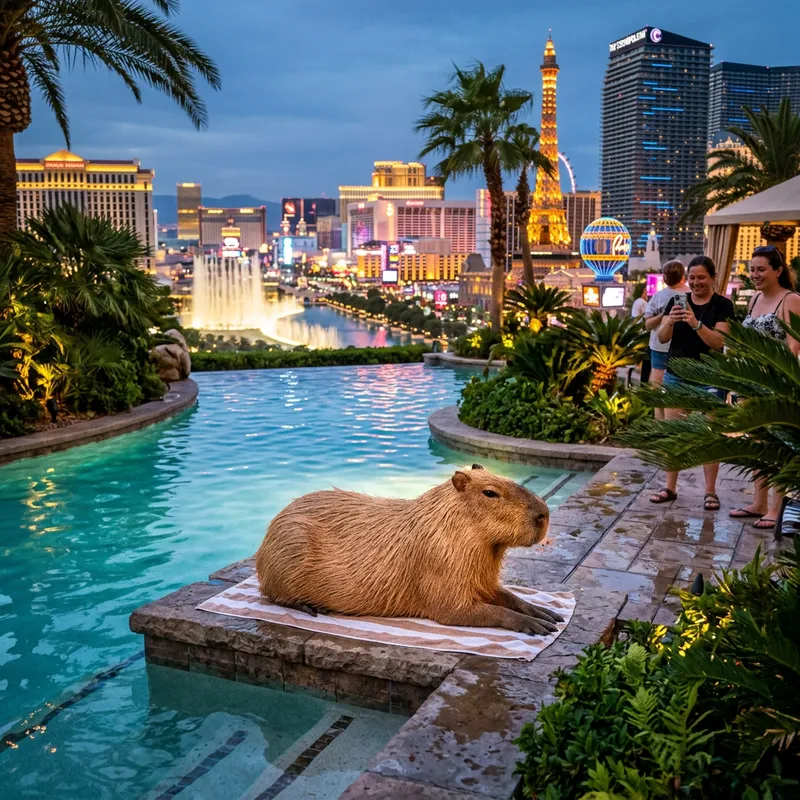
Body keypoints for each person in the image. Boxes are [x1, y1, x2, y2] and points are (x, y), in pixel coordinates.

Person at [650, 256, 734, 510]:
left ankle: (710, 492)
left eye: (702, 277)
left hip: (709, 377)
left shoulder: (722, 305)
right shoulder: (678, 301)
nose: (696, 283)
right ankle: (669, 487)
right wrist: (669, 321)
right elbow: (662, 338)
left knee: (710, 436)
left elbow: (719, 342)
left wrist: (695, 323)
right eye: (692, 278)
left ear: (713, 278)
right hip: (676, 374)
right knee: (674, 434)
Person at [729, 245, 800, 529]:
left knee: (776, 446)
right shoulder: (755, 298)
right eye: (752, 269)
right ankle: (758, 503)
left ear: (778, 270)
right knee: (757, 444)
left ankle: (775, 507)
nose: (755, 275)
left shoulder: (790, 300)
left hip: (776, 384)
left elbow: (793, 346)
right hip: (751, 383)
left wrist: (772, 377)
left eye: (761, 269)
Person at [644, 261, 689, 415]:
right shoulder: (690, 294)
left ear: (664, 277)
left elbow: (647, 324)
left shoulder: (658, 296)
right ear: (683, 276)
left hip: (660, 348)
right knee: (679, 393)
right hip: (683, 348)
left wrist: (662, 315)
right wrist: (666, 314)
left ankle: (660, 423)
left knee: (657, 392)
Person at [631, 287, 650, 383]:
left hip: (636, 332)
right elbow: (648, 317)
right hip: (643, 333)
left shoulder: (636, 302)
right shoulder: (643, 302)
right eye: (645, 291)